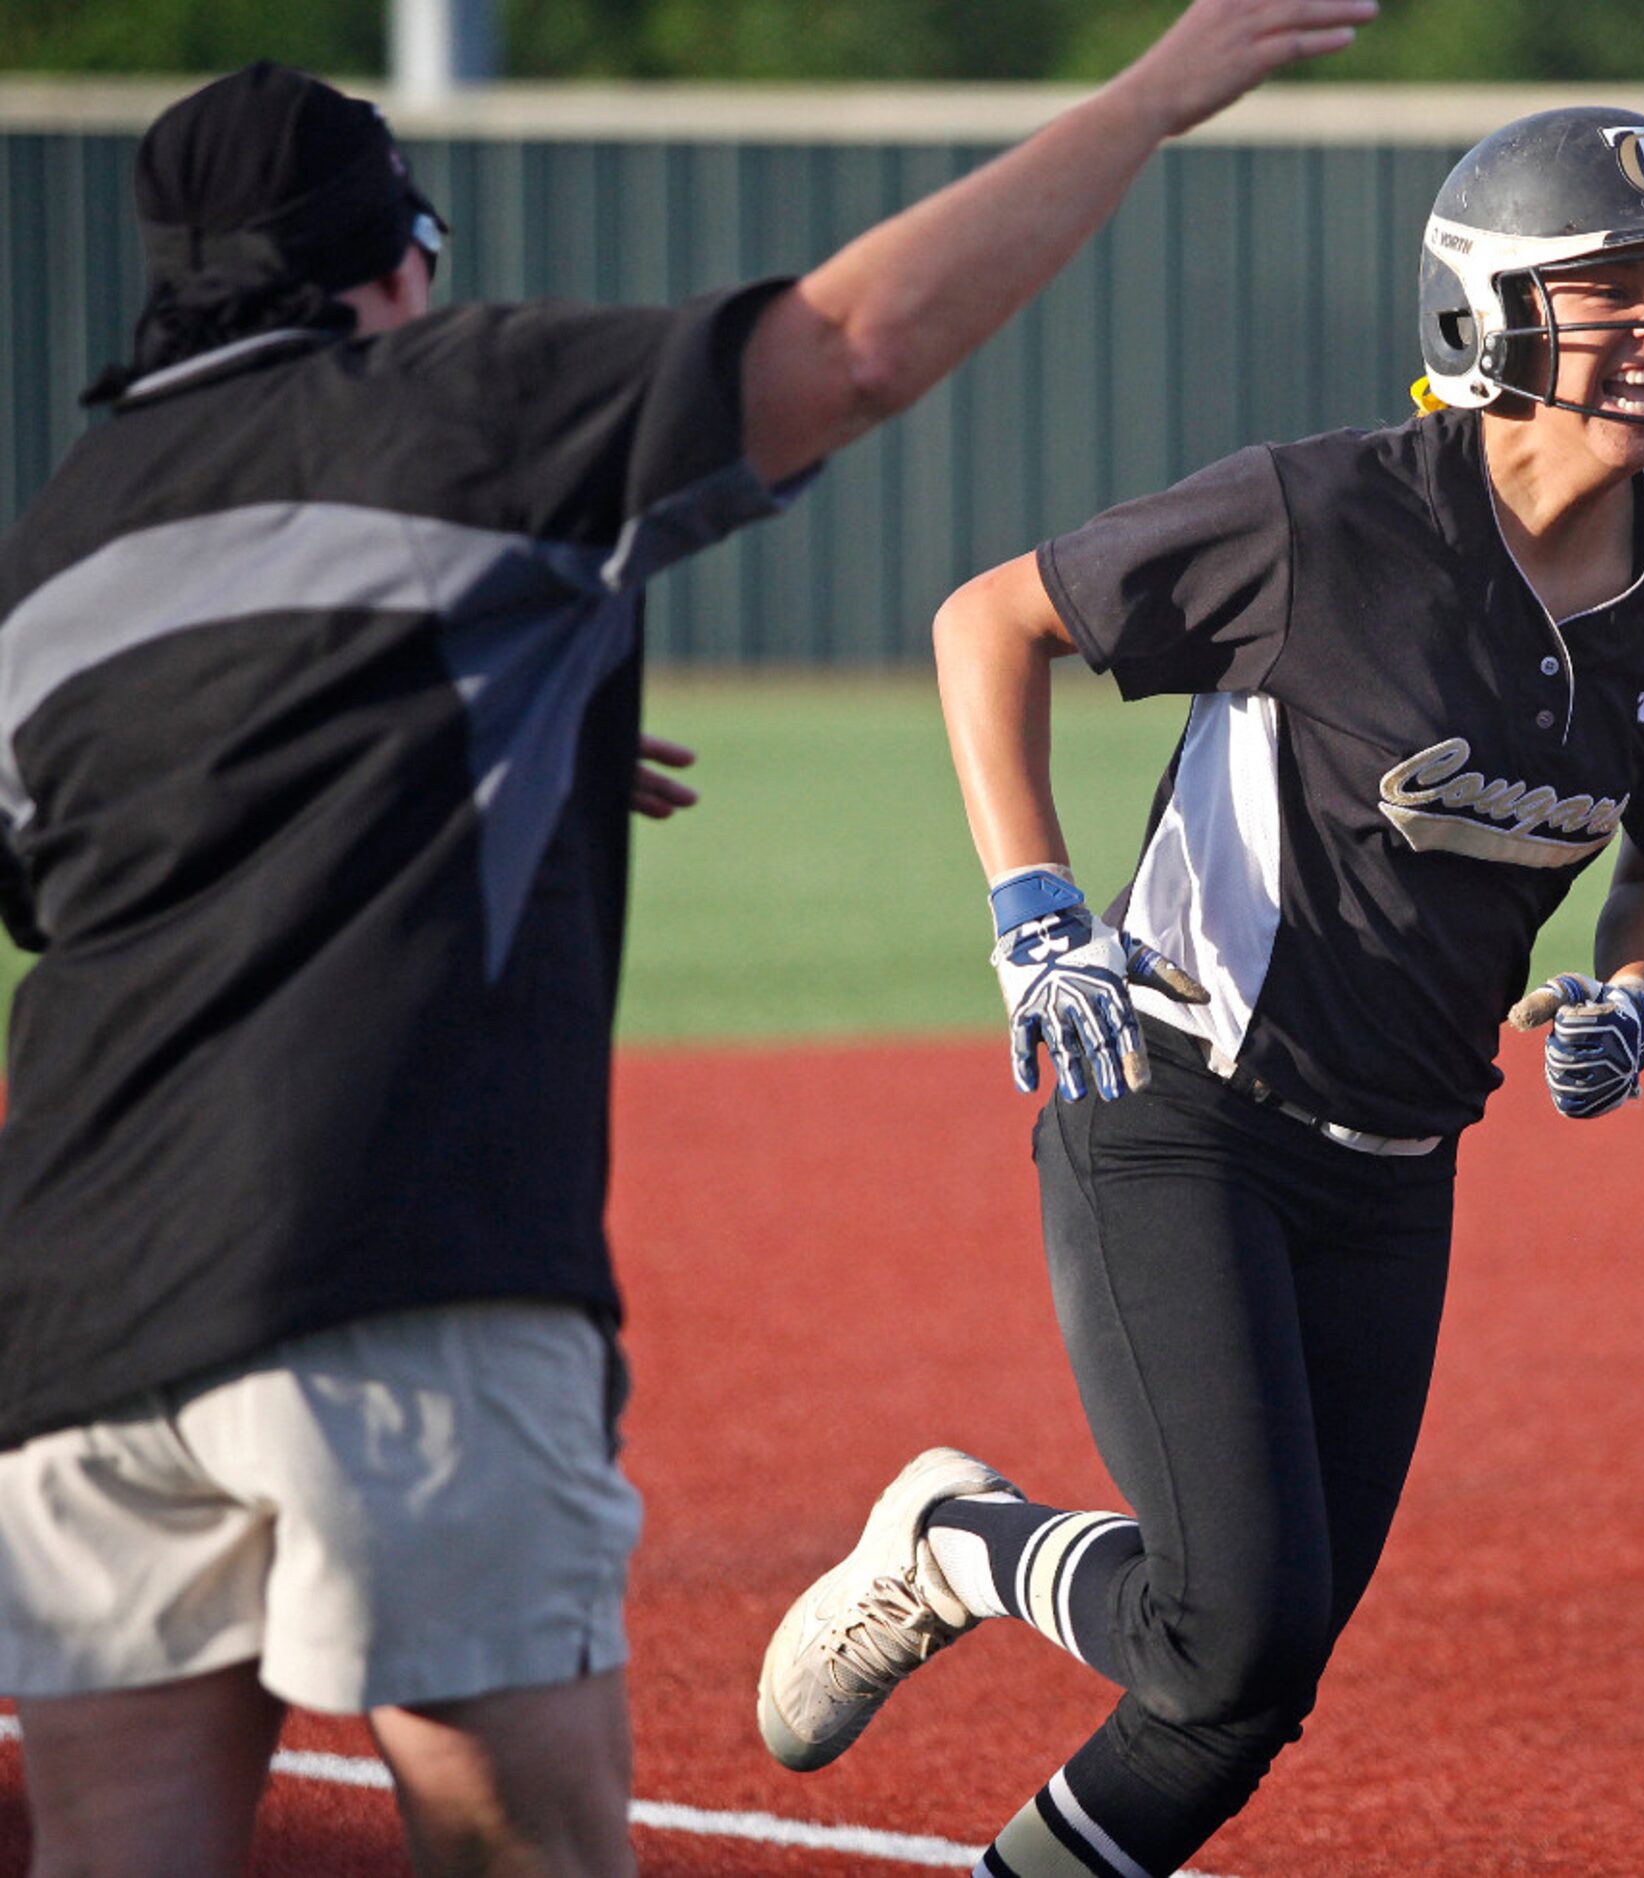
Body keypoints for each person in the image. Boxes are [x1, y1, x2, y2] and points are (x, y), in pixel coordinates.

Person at [0, 11, 1382, 1875]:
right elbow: (856, 346)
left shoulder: (54, 547)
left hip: (74, 1327)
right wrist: (1147, 100)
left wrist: (487, 722)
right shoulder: (453, 403)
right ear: (394, 259)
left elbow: (124, 863)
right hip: (379, 1260)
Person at [757, 105, 1644, 1878]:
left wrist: (1640, 994)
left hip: (1401, 1162)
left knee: (1248, 1677)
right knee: (1233, 1626)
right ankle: (959, 1545)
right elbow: (989, 622)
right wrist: (1032, 905)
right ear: (1496, 313)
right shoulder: (1330, 513)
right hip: (1177, 1102)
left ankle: (972, 1597)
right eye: (1618, 291)